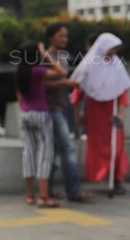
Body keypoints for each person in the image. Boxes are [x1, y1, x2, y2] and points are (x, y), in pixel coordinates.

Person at [71, 33, 130, 195]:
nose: (113, 52)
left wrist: (120, 113)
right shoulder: (88, 64)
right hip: (95, 113)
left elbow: (122, 91)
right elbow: (78, 88)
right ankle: (98, 175)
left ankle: (117, 179)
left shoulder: (117, 65)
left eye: (115, 49)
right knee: (97, 147)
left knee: (116, 147)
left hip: (112, 112)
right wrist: (78, 114)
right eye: (111, 48)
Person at [44, 23, 92, 202]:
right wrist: (65, 83)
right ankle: (73, 191)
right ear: (51, 38)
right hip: (52, 109)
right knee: (68, 149)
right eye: (60, 36)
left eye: (66, 36)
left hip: (63, 108)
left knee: (54, 150)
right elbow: (40, 84)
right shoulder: (46, 57)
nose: (64, 39)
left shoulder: (64, 57)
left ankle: (47, 191)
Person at [16, 41, 66, 208]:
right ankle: (44, 197)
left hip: (24, 114)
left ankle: (30, 195)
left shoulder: (19, 73)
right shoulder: (37, 71)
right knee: (45, 154)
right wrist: (46, 54)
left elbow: (20, 99)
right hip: (41, 114)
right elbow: (61, 72)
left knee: (28, 153)